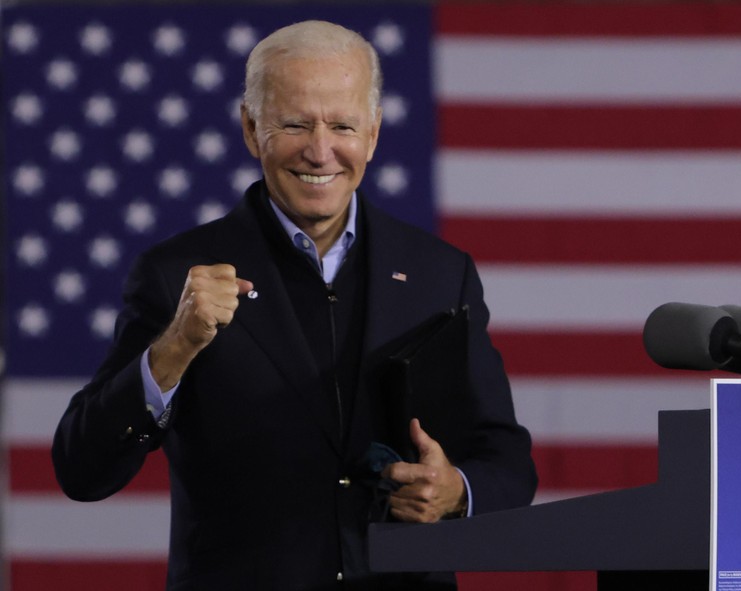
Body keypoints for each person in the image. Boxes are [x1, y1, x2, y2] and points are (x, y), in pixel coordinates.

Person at [52, 20, 537, 590]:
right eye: (295, 124)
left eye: (342, 125)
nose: (320, 149)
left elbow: (505, 458)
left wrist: (457, 491)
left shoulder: (440, 274)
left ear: (374, 134)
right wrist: (174, 348)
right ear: (251, 129)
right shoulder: (173, 276)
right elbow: (81, 470)